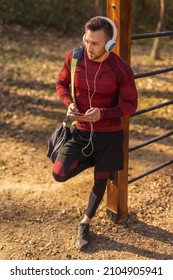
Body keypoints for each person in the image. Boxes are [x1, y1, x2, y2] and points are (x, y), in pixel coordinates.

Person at [54, 16, 138, 250]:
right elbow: (61, 84)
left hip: (109, 134)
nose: (89, 48)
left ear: (110, 44)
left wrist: (102, 114)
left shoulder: (120, 68)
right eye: (87, 41)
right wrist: (68, 102)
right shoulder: (75, 57)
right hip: (80, 131)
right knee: (59, 173)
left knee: (100, 181)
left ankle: (85, 222)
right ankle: (96, 161)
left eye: (95, 43)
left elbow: (131, 104)